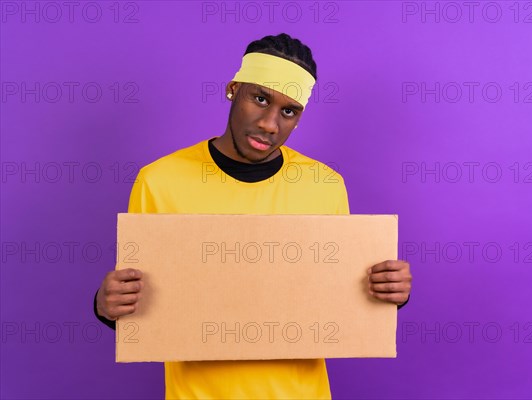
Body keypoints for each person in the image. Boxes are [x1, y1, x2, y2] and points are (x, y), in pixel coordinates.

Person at [93, 32, 412, 399]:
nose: (269, 124)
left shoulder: (324, 185)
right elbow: (144, 310)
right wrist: (106, 305)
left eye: (288, 111)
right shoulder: (159, 182)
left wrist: (389, 292)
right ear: (233, 89)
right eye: (259, 98)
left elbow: (336, 300)